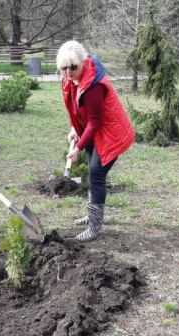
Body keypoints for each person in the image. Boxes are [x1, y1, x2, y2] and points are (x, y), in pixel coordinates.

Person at [56, 41, 135, 242]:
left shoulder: (93, 87)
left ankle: (95, 227)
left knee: (96, 176)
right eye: (64, 68)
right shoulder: (71, 80)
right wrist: (75, 128)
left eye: (73, 67)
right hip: (94, 132)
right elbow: (76, 109)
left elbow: (94, 122)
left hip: (109, 134)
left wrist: (78, 149)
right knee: (94, 174)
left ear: (83, 62)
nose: (68, 72)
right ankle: (92, 216)